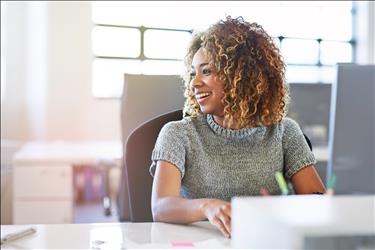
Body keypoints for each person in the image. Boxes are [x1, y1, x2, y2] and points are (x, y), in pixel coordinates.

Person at [149, 16, 326, 238]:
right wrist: (207, 206)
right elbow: (161, 207)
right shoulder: (178, 134)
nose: (194, 83)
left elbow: (316, 200)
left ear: (240, 76)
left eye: (206, 71)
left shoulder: (284, 132)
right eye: (193, 73)